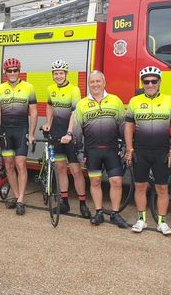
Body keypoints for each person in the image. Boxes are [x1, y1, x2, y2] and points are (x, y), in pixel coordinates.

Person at [124, 66, 171, 235]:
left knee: (162, 188)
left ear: (159, 82)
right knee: (140, 186)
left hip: (162, 151)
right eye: (146, 82)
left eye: (153, 81)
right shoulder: (134, 101)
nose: (150, 84)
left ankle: (162, 222)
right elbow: (128, 127)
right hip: (141, 151)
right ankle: (141, 220)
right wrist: (129, 148)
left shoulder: (170, 101)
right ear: (142, 83)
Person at [69, 70, 128, 228]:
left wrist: (123, 146)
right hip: (92, 151)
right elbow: (77, 131)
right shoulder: (82, 104)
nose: (95, 84)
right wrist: (80, 152)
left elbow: (122, 126)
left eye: (98, 81)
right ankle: (99, 212)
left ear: (104, 82)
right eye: (92, 82)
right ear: (88, 84)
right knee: (95, 182)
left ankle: (115, 214)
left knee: (116, 181)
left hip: (112, 150)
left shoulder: (115, 100)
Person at [42, 60, 91, 218]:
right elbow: (49, 106)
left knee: (76, 171)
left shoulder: (74, 89)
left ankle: (83, 203)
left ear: (66, 74)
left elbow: (74, 113)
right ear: (53, 75)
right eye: (56, 73)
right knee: (61, 168)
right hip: (56, 131)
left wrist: (69, 133)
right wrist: (48, 122)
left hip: (71, 133)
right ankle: (64, 202)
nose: (58, 76)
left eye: (61, 73)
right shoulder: (50, 88)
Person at [0, 58, 37, 215]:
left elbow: (33, 112)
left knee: (21, 164)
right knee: (9, 165)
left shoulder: (28, 87)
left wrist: (31, 133)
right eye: (9, 71)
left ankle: (21, 199)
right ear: (5, 73)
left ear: (19, 71)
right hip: (6, 131)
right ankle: (17, 197)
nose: (12, 73)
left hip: (21, 130)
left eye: (15, 70)